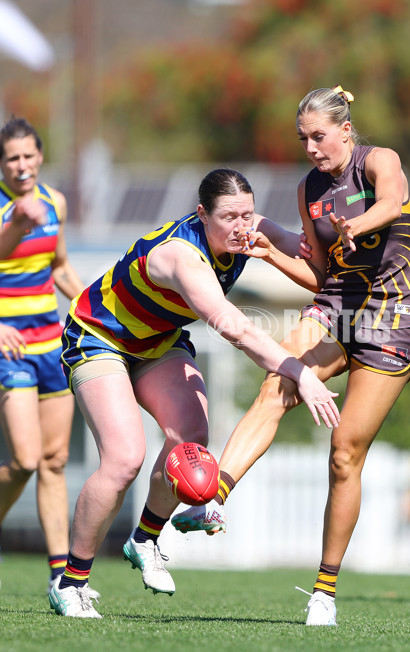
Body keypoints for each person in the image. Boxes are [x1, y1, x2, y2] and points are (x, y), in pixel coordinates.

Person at [171, 86, 410, 627]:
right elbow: (323, 276)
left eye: (319, 135)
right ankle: (213, 497)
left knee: (343, 452)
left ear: (345, 131)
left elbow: (391, 201)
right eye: (303, 138)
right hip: (337, 307)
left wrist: (359, 224)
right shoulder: (310, 189)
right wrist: (271, 255)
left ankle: (324, 593)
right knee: (275, 383)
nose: (310, 147)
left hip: (390, 318)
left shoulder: (380, 162)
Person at [48, 168, 340, 619]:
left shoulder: (250, 228)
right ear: (202, 214)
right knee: (125, 458)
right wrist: (300, 374)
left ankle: (145, 538)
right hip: (99, 337)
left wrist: (324, 247)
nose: (242, 225)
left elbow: (319, 267)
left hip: (158, 340)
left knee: (191, 438)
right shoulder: (182, 258)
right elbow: (236, 328)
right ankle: (72, 581)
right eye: (229, 217)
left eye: (247, 213)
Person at [0, 117, 86, 593]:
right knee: (25, 459)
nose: (21, 165)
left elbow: (59, 267)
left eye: (28, 156)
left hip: (51, 343)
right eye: (11, 158)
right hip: (9, 349)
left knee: (53, 460)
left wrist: (93, 305)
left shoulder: (55, 202)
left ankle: (62, 579)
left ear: (39, 156)